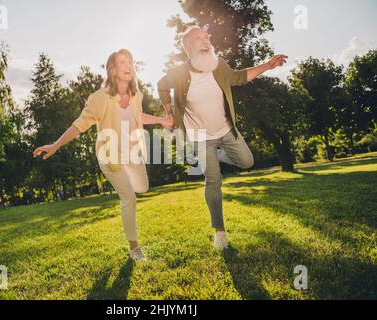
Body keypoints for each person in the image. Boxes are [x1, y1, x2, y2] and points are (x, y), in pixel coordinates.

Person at [33, 49, 172, 260]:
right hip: (110, 155)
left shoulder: (137, 95)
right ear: (113, 69)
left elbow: (137, 116)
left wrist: (161, 120)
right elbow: (80, 124)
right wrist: (56, 144)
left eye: (131, 62)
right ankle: (134, 247)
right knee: (129, 198)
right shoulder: (99, 98)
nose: (129, 66)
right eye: (123, 62)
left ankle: (125, 184)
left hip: (133, 153)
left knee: (142, 187)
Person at [157, 26, 288, 249]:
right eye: (199, 38)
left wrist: (267, 65)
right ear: (188, 47)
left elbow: (240, 77)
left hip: (226, 130)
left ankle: (219, 154)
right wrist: (169, 112)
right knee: (213, 180)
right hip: (200, 136)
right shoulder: (179, 73)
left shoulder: (219, 65)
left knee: (247, 162)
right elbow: (161, 86)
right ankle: (219, 231)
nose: (206, 40)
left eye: (207, 36)